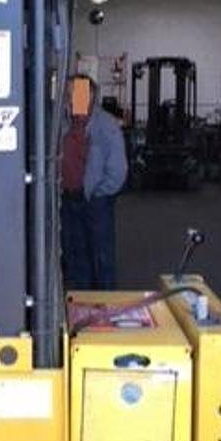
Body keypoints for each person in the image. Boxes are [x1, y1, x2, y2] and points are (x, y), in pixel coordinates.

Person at [61, 74, 128, 290]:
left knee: (101, 258)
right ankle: (79, 308)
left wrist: (98, 194)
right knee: (75, 257)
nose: (72, 99)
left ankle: (105, 310)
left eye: (78, 93)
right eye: (69, 93)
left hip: (95, 201)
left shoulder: (106, 126)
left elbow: (118, 170)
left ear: (91, 95)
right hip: (67, 201)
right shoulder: (61, 124)